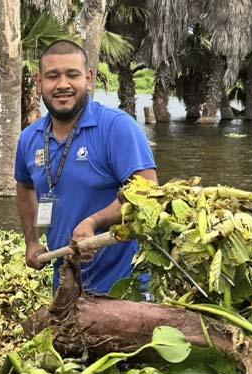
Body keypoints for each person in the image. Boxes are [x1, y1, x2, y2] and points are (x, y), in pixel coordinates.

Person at [15, 40, 158, 295]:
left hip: (125, 286)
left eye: (72, 75)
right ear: (39, 82)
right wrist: (32, 241)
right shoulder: (29, 139)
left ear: (89, 79)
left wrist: (94, 222)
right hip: (66, 283)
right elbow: (25, 187)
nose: (62, 84)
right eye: (52, 76)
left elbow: (147, 190)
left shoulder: (116, 127)